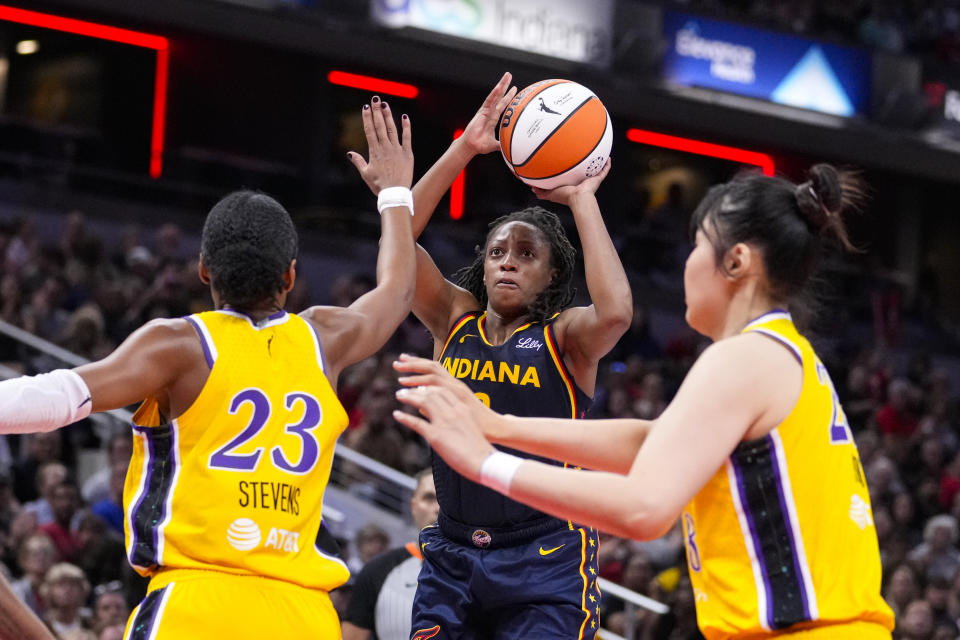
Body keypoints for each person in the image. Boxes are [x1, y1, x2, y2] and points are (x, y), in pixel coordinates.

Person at [392, 164, 896, 638]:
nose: (686, 263)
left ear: (736, 260)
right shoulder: (779, 354)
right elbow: (649, 440)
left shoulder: (745, 358)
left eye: (697, 246)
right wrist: (498, 427)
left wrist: (487, 464)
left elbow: (644, 508)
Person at [0, 96, 415, 638]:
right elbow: (398, 289)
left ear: (202, 270)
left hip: (197, 601)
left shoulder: (178, 345)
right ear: (291, 277)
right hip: (304, 615)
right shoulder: (326, 339)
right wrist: (395, 195)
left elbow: (60, 395)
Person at [362, 72, 631, 639]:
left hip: (545, 556)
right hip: (453, 554)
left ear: (552, 273)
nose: (507, 262)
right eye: (497, 252)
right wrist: (465, 147)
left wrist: (582, 198)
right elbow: (399, 240)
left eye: (526, 254)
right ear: (482, 265)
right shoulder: (452, 318)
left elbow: (616, 313)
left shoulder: (567, 339)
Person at [341, 469, 440, 640]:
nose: (438, 508)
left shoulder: (481, 571)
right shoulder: (376, 571)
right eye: (429, 498)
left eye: (446, 500)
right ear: (413, 506)